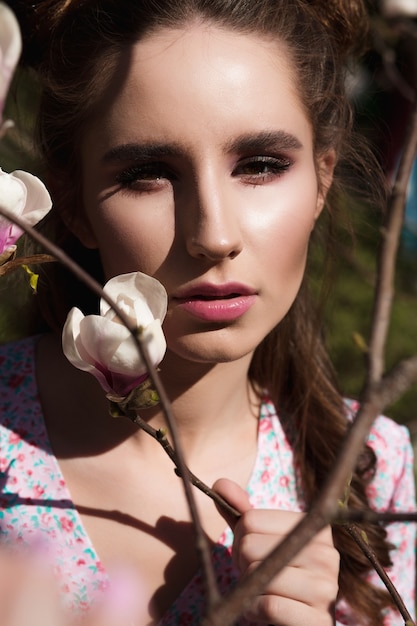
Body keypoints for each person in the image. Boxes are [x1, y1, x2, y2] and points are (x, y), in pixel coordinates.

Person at [0, 0, 415, 624]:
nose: (214, 235)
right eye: (148, 174)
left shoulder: (377, 476)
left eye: (261, 166)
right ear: (76, 202)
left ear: (323, 180)